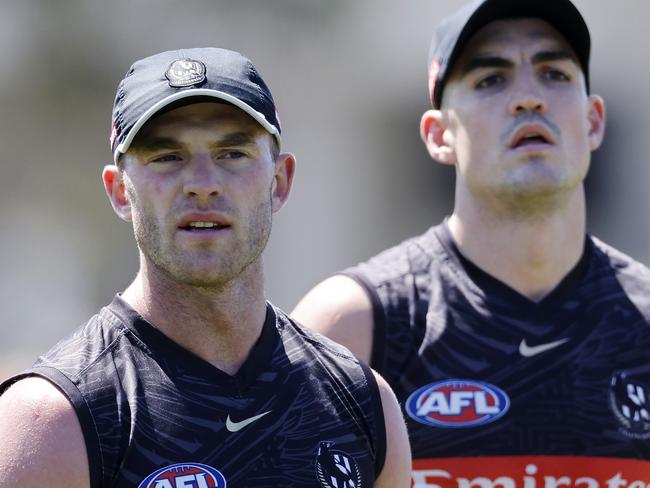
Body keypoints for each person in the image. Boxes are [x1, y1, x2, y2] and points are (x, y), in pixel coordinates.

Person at [0, 47, 411, 487]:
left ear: (280, 181)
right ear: (120, 191)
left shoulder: (363, 400)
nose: (202, 184)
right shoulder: (53, 420)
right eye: (167, 157)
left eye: (231, 153)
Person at [292, 0, 650, 485]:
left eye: (555, 74)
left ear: (593, 122)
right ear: (439, 135)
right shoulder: (355, 326)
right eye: (490, 80)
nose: (530, 98)